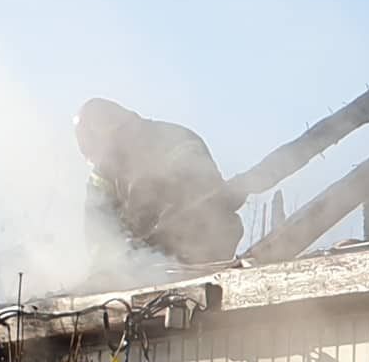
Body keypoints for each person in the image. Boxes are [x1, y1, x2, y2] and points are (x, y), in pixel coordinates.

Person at [74, 98, 246, 266]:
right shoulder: (104, 172)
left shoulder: (177, 141)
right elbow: (98, 229)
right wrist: (117, 259)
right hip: (141, 264)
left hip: (197, 248)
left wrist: (159, 221)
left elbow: (202, 193)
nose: (106, 161)